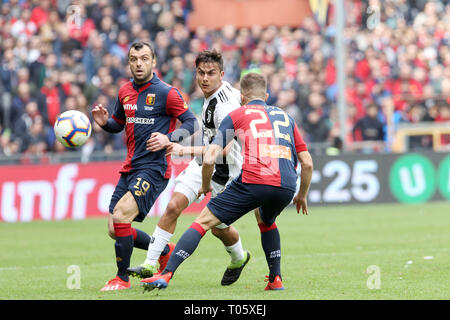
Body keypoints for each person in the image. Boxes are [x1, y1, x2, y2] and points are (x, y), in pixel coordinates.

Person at [140, 72, 313, 292]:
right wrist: (302, 195)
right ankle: (275, 279)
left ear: (242, 97)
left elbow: (211, 155)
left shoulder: (238, 114)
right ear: (266, 95)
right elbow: (307, 163)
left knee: (202, 222)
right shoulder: (286, 117)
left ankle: (165, 275)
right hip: (287, 185)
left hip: (253, 180)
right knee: (266, 221)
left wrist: (205, 185)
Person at [127, 49, 251, 286]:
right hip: (204, 163)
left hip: (227, 173)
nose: (205, 78)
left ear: (221, 74)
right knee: (174, 206)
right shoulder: (213, 95)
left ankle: (239, 257)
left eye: (211, 74)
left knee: (219, 229)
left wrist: (183, 149)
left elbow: (224, 150)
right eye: (201, 73)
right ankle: (150, 264)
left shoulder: (226, 106)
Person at [92, 42, 198, 291]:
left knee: (120, 217)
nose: (138, 63)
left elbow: (192, 123)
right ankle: (162, 249)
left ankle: (122, 278)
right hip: (130, 168)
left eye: (144, 58)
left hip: (154, 168)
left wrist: (169, 138)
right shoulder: (124, 91)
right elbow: (118, 123)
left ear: (153, 62)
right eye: (133, 59)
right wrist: (106, 123)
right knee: (114, 229)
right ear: (129, 63)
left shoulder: (167, 93)